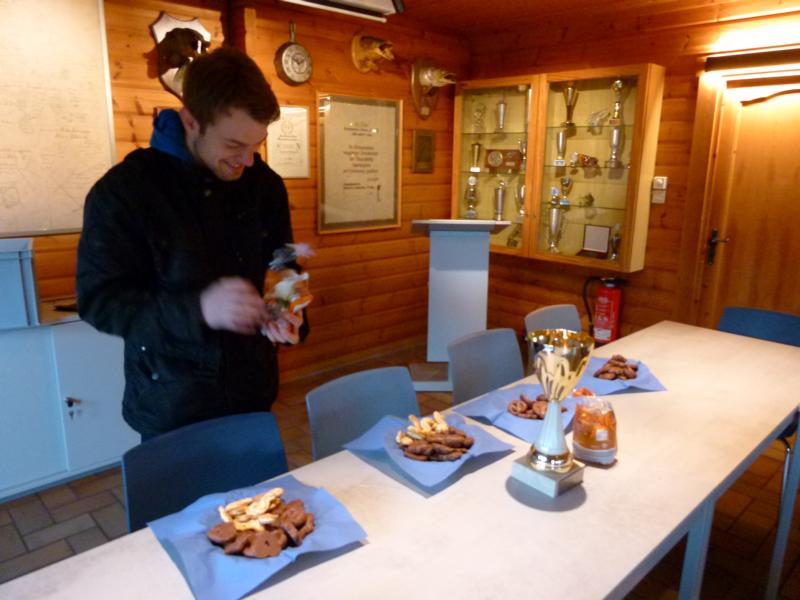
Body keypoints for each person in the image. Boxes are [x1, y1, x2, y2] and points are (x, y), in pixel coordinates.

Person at [77, 47, 308, 441]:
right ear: (190, 122)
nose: (247, 161)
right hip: (171, 406)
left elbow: (283, 259)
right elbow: (101, 302)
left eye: (257, 145)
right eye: (233, 145)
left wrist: (288, 304)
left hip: (253, 394)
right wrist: (199, 310)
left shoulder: (265, 184)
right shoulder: (125, 191)